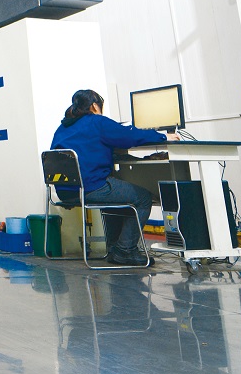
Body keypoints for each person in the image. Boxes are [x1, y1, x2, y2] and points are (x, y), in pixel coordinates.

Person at [50, 89, 177, 265]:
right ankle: (125, 250)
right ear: (95, 106)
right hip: (90, 188)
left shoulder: (63, 127)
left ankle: (114, 249)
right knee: (143, 198)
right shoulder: (97, 121)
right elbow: (128, 136)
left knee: (118, 193)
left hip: (66, 191)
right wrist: (163, 136)